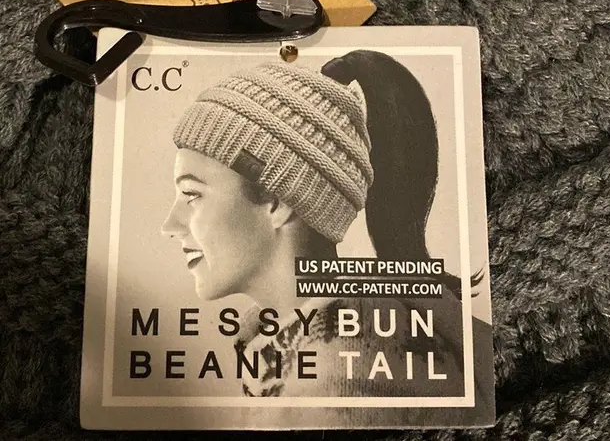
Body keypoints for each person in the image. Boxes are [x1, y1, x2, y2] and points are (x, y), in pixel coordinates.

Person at [161, 50, 494, 425]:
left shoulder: (337, 380)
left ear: (276, 202)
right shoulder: (314, 342)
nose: (170, 225)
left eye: (192, 195)